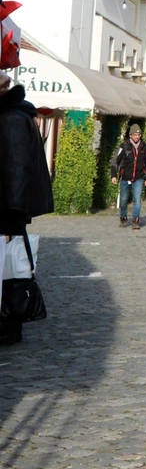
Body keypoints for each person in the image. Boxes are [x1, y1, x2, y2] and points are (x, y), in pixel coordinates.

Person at [0, 72, 55, 345]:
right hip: (11, 206)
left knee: (9, 269)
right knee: (10, 268)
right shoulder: (16, 114)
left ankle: (10, 324)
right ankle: (10, 323)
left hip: (8, 208)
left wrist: (13, 212)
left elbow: (16, 168)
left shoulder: (11, 118)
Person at [111, 123, 146, 230]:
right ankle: (123, 217)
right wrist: (114, 175)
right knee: (124, 200)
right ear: (130, 135)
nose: (137, 137)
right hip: (125, 177)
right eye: (135, 135)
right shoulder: (124, 146)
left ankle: (135, 220)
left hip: (139, 177)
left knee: (137, 199)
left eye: (139, 135)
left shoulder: (145, 147)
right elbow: (115, 161)